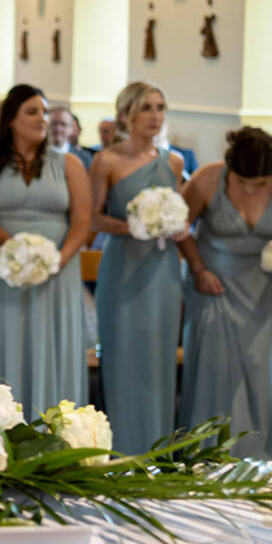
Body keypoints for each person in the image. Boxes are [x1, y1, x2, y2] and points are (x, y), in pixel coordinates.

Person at [177, 127, 272, 459]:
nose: (251, 188)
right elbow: (179, 226)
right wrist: (198, 269)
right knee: (216, 367)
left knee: (260, 366)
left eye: (259, 184)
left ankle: (264, 451)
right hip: (214, 284)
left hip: (262, 288)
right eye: (243, 182)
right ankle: (209, 451)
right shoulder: (208, 179)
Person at [0, 85, 91, 419]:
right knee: (10, 341)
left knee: (54, 346)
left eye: (44, 112)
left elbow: (82, 220)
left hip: (59, 272)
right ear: (11, 120)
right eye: (32, 112)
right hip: (6, 270)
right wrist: (13, 249)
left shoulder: (68, 164)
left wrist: (57, 261)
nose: (42, 119)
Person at [89, 81, 185, 453]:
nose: (155, 116)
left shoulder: (173, 161)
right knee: (123, 354)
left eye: (160, 108)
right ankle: (124, 448)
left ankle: (158, 449)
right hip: (123, 266)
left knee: (159, 356)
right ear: (127, 114)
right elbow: (95, 218)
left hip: (163, 268)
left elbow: (179, 212)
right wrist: (134, 226)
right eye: (147, 108)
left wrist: (176, 225)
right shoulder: (107, 160)